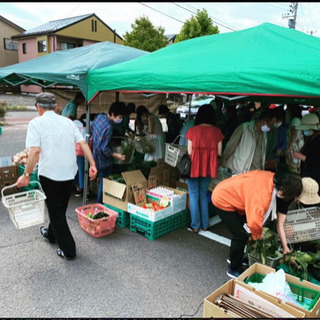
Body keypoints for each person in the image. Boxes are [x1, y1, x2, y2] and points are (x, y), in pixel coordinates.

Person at [16, 93, 97, 260]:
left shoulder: (36, 123)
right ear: (56, 107)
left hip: (50, 176)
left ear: (38, 107)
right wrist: (92, 164)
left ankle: (69, 250)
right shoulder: (67, 122)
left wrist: (26, 175)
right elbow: (83, 142)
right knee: (58, 209)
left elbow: (35, 151)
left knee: (56, 213)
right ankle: (51, 235)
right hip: (69, 174)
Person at [211, 169, 312, 279]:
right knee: (240, 235)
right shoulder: (262, 195)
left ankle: (234, 257)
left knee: (242, 231)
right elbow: (253, 222)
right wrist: (259, 235)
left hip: (230, 192)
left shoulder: (272, 179)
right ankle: (233, 269)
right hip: (222, 199)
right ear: (283, 190)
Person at [185, 104, 224, 233]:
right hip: (208, 168)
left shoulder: (192, 131)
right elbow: (219, 152)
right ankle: (205, 224)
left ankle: (195, 226)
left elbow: (189, 151)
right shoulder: (217, 132)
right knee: (203, 194)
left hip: (194, 168)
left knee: (194, 195)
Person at [91, 101, 127, 204]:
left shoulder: (99, 117)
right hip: (104, 160)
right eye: (120, 116)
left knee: (102, 179)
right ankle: (100, 204)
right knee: (105, 183)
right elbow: (104, 149)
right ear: (114, 114)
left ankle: (100, 202)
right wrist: (117, 155)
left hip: (95, 154)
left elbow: (92, 127)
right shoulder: (109, 127)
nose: (121, 119)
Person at [220, 108, 276, 175]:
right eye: (271, 124)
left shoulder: (264, 135)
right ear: (264, 121)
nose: (272, 127)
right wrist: (223, 159)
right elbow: (231, 145)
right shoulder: (244, 128)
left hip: (257, 172)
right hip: (241, 169)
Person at [293, 113, 320, 195]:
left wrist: (302, 157)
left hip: (315, 180)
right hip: (309, 178)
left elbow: (317, 162)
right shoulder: (311, 140)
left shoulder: (318, 141)